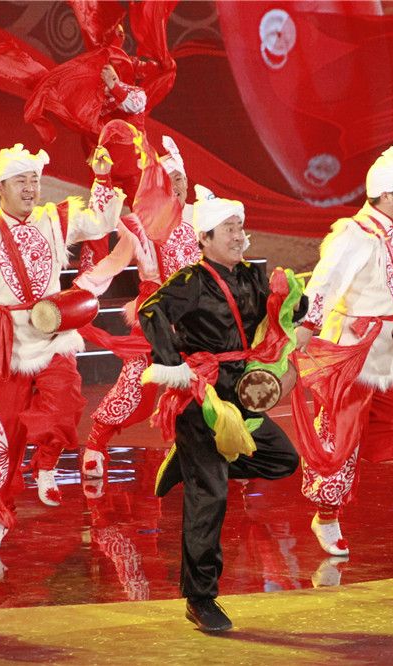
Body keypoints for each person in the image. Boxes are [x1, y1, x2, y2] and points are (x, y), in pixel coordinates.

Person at [0, 143, 124, 553]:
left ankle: (46, 466)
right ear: (0, 188)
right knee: (3, 433)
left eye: (34, 180)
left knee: (66, 398)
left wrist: (102, 177)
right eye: (20, 181)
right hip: (5, 339)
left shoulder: (54, 219)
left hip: (51, 331)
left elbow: (101, 222)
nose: (30, 188)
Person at [137, 187, 303, 632]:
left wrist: (295, 298)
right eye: (228, 228)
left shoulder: (252, 276)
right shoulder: (191, 280)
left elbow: (287, 307)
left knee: (283, 460)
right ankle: (200, 597)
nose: (237, 235)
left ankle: (189, 463)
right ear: (205, 238)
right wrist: (172, 366)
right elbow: (150, 312)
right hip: (202, 396)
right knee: (209, 496)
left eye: (240, 227)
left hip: (242, 392)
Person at [290, 126, 393, 556]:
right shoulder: (355, 234)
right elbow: (327, 279)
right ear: (387, 196)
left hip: (383, 347)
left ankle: (342, 449)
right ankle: (327, 515)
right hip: (353, 348)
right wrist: (308, 326)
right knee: (342, 435)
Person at [77, 136, 200, 479]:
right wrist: (81, 290)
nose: (176, 187)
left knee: (209, 383)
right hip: (154, 317)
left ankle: (220, 450)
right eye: (168, 181)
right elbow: (112, 263)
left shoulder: (203, 217)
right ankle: (96, 444)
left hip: (199, 318)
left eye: (180, 179)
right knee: (134, 385)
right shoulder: (140, 224)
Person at [77, 61, 151, 273]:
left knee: (148, 221)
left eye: (109, 72)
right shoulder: (92, 100)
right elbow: (84, 126)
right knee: (98, 222)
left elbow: (135, 105)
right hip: (105, 171)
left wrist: (115, 86)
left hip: (134, 169)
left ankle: (160, 269)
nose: (104, 77)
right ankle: (91, 277)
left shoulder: (135, 93)